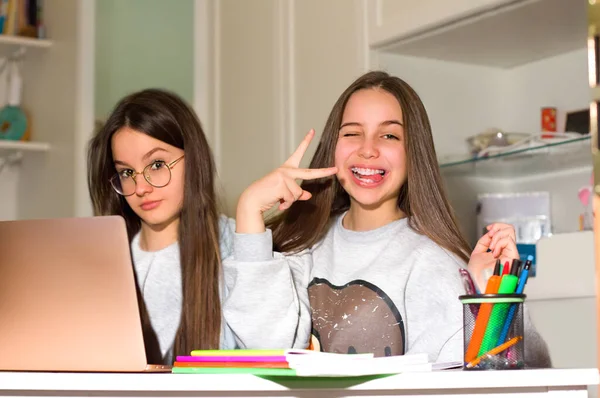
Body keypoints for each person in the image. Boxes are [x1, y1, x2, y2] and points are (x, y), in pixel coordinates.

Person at [222, 71, 551, 366]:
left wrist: (492, 300)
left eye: (389, 135)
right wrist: (249, 212)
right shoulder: (300, 248)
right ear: (333, 146)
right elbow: (263, 353)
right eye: (352, 133)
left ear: (413, 153)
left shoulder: (433, 262)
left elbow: (495, 378)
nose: (368, 149)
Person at [88, 88, 236, 364]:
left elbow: (270, 353)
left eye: (156, 164)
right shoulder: (98, 261)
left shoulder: (235, 248)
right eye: (127, 172)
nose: (141, 187)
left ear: (194, 159)